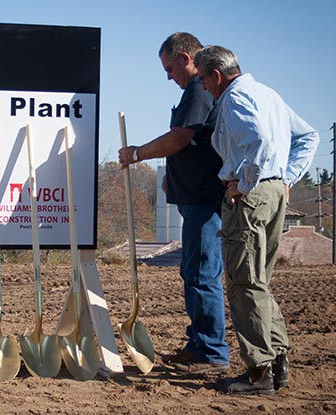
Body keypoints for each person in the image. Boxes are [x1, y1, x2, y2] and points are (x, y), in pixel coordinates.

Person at [194, 45, 319, 395]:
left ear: (216, 75)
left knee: (242, 282)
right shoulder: (268, 93)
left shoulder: (234, 98)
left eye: (203, 78)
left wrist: (244, 183)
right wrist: (286, 179)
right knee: (258, 281)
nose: (202, 86)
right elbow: (309, 136)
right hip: (274, 192)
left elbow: (259, 142)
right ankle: (277, 365)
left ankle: (258, 373)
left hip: (251, 196)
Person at [118, 32, 229, 374]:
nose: (168, 76)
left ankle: (211, 353)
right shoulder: (195, 92)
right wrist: (173, 176)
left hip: (205, 200)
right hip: (194, 197)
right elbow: (192, 143)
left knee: (201, 273)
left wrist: (137, 154)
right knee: (193, 271)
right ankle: (199, 344)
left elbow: (180, 139)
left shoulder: (198, 89)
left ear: (185, 58)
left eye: (169, 68)